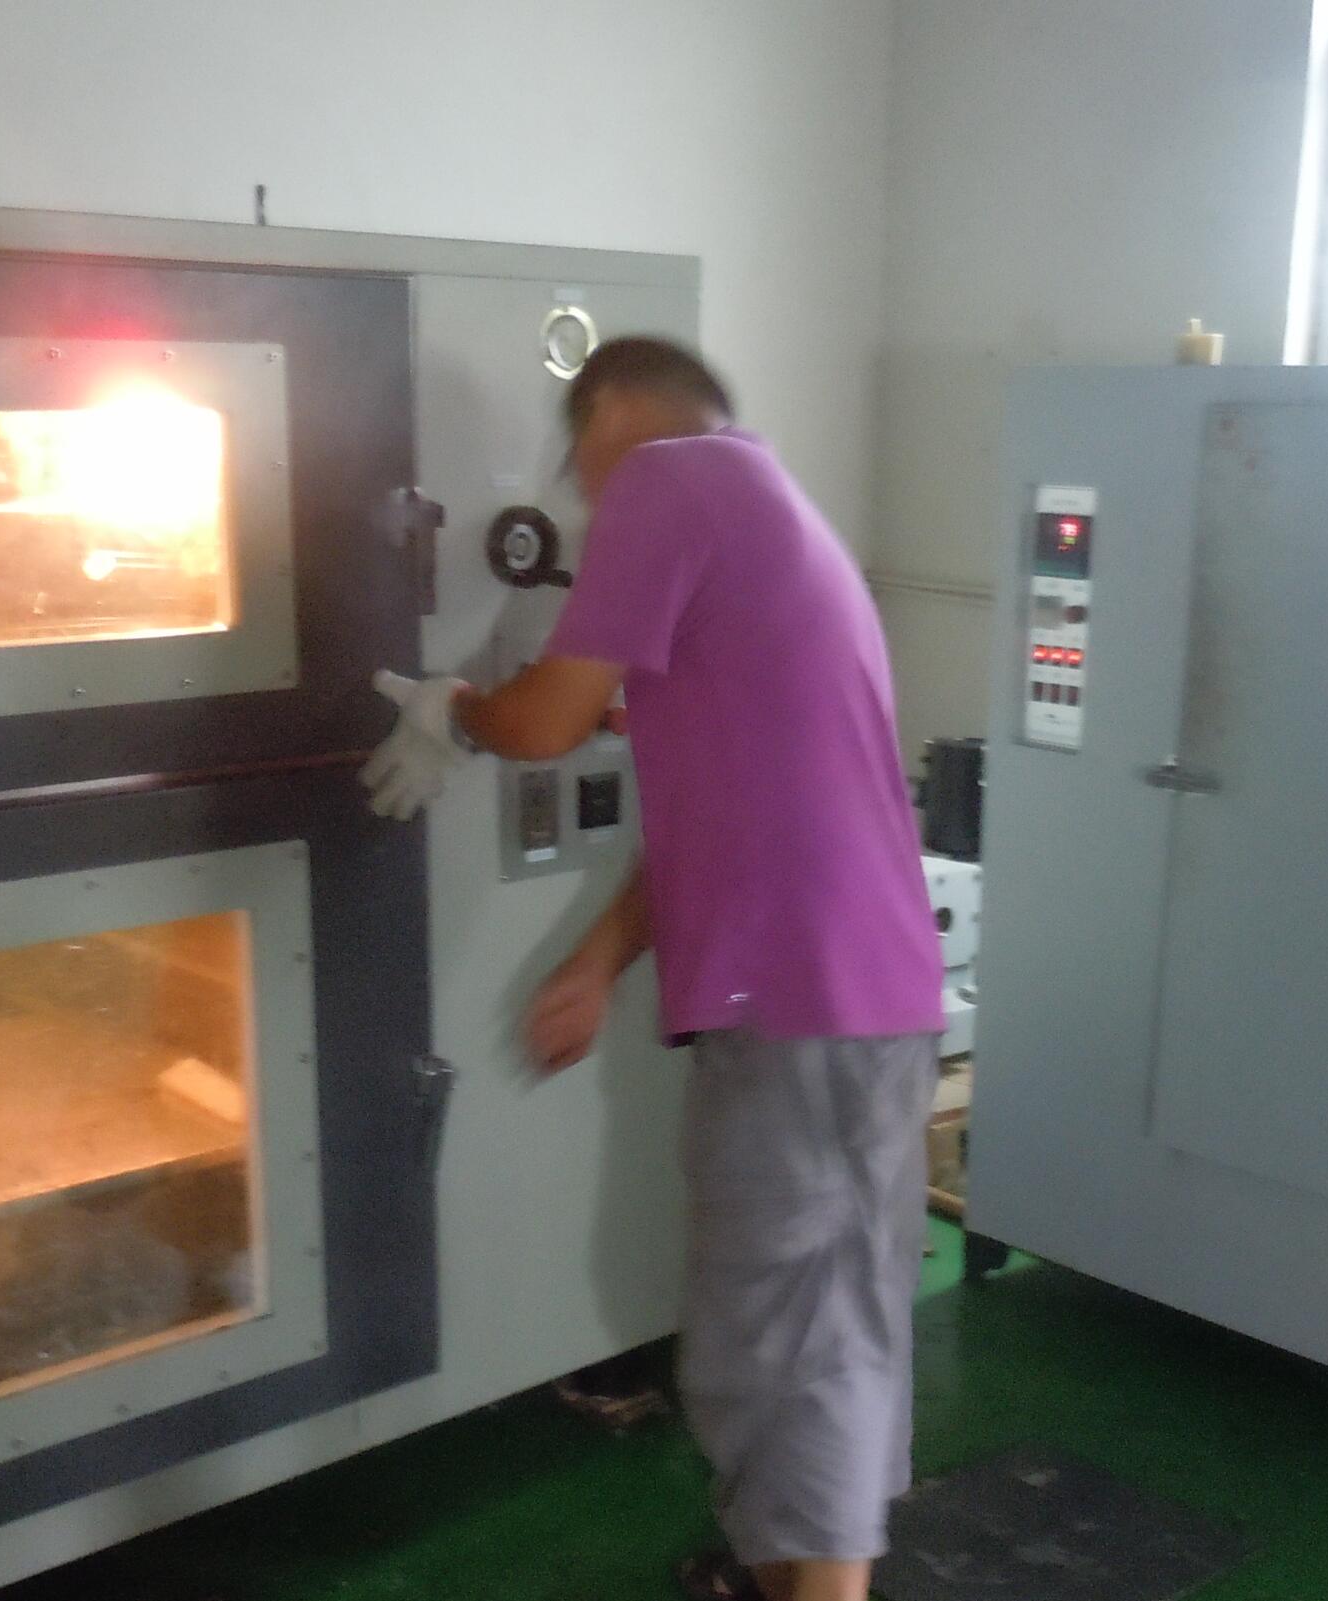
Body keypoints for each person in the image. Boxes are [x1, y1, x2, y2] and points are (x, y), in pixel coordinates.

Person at [360, 337, 944, 1601]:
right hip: (835, 996)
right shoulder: (762, 508)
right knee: (785, 1323)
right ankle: (777, 1572)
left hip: (813, 1004)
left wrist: (450, 706)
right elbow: (722, 809)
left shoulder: (672, 481)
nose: (577, 492)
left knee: (802, 1335)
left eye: (575, 458)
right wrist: (597, 960)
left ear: (614, 413)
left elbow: (544, 721)